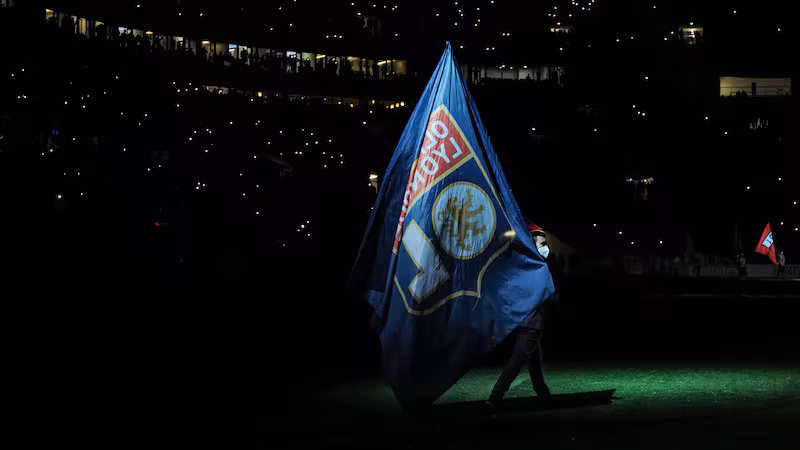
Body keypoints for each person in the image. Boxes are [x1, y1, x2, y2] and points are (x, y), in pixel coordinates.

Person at [486, 224, 556, 408]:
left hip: (523, 319)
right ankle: (496, 395)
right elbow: (547, 294)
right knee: (519, 358)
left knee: (534, 358)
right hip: (531, 321)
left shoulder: (521, 265)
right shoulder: (536, 268)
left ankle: (543, 393)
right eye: (542, 243)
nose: (546, 247)